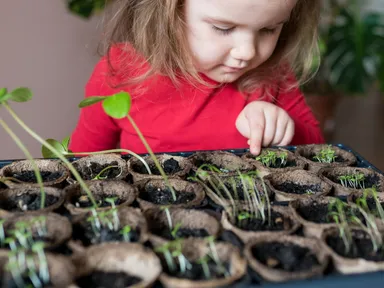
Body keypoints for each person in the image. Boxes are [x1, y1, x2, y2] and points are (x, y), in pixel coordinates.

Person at [69, 0, 324, 156]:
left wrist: (282, 129)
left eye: (268, 29)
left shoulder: (273, 73)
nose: (248, 52)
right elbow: (83, 163)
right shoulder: (119, 73)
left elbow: (319, 149)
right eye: (223, 28)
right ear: (171, 11)